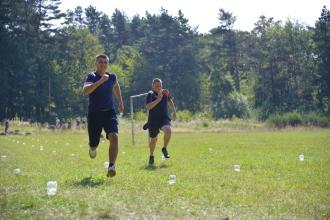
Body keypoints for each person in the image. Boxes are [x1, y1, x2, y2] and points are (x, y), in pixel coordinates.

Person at [83, 54, 124, 177]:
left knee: (114, 136)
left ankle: (111, 166)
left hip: (109, 112)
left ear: (108, 64)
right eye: (100, 62)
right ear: (96, 64)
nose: (103, 64)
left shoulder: (112, 77)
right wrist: (100, 81)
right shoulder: (92, 76)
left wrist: (120, 102)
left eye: (105, 62)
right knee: (94, 143)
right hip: (95, 114)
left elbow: (116, 86)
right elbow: (85, 91)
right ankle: (92, 148)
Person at [145, 78, 176, 165]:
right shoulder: (150, 94)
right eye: (156, 86)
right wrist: (158, 99)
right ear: (153, 86)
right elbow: (148, 107)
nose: (159, 88)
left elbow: (170, 101)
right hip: (153, 120)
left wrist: (174, 111)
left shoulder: (165, 92)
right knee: (154, 139)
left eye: (160, 86)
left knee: (168, 130)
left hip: (164, 118)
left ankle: (164, 148)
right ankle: (151, 156)